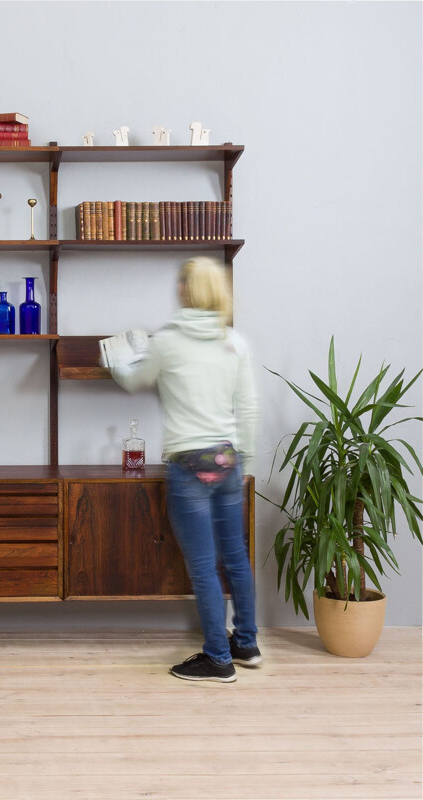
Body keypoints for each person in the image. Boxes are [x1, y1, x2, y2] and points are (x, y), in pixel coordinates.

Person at [107, 256, 260, 682]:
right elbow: (247, 406)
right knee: (235, 556)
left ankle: (218, 658)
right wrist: (243, 458)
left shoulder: (169, 341)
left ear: (185, 291)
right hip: (228, 460)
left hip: (189, 464)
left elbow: (135, 380)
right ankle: (245, 643)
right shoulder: (234, 341)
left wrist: (117, 356)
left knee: (203, 565)